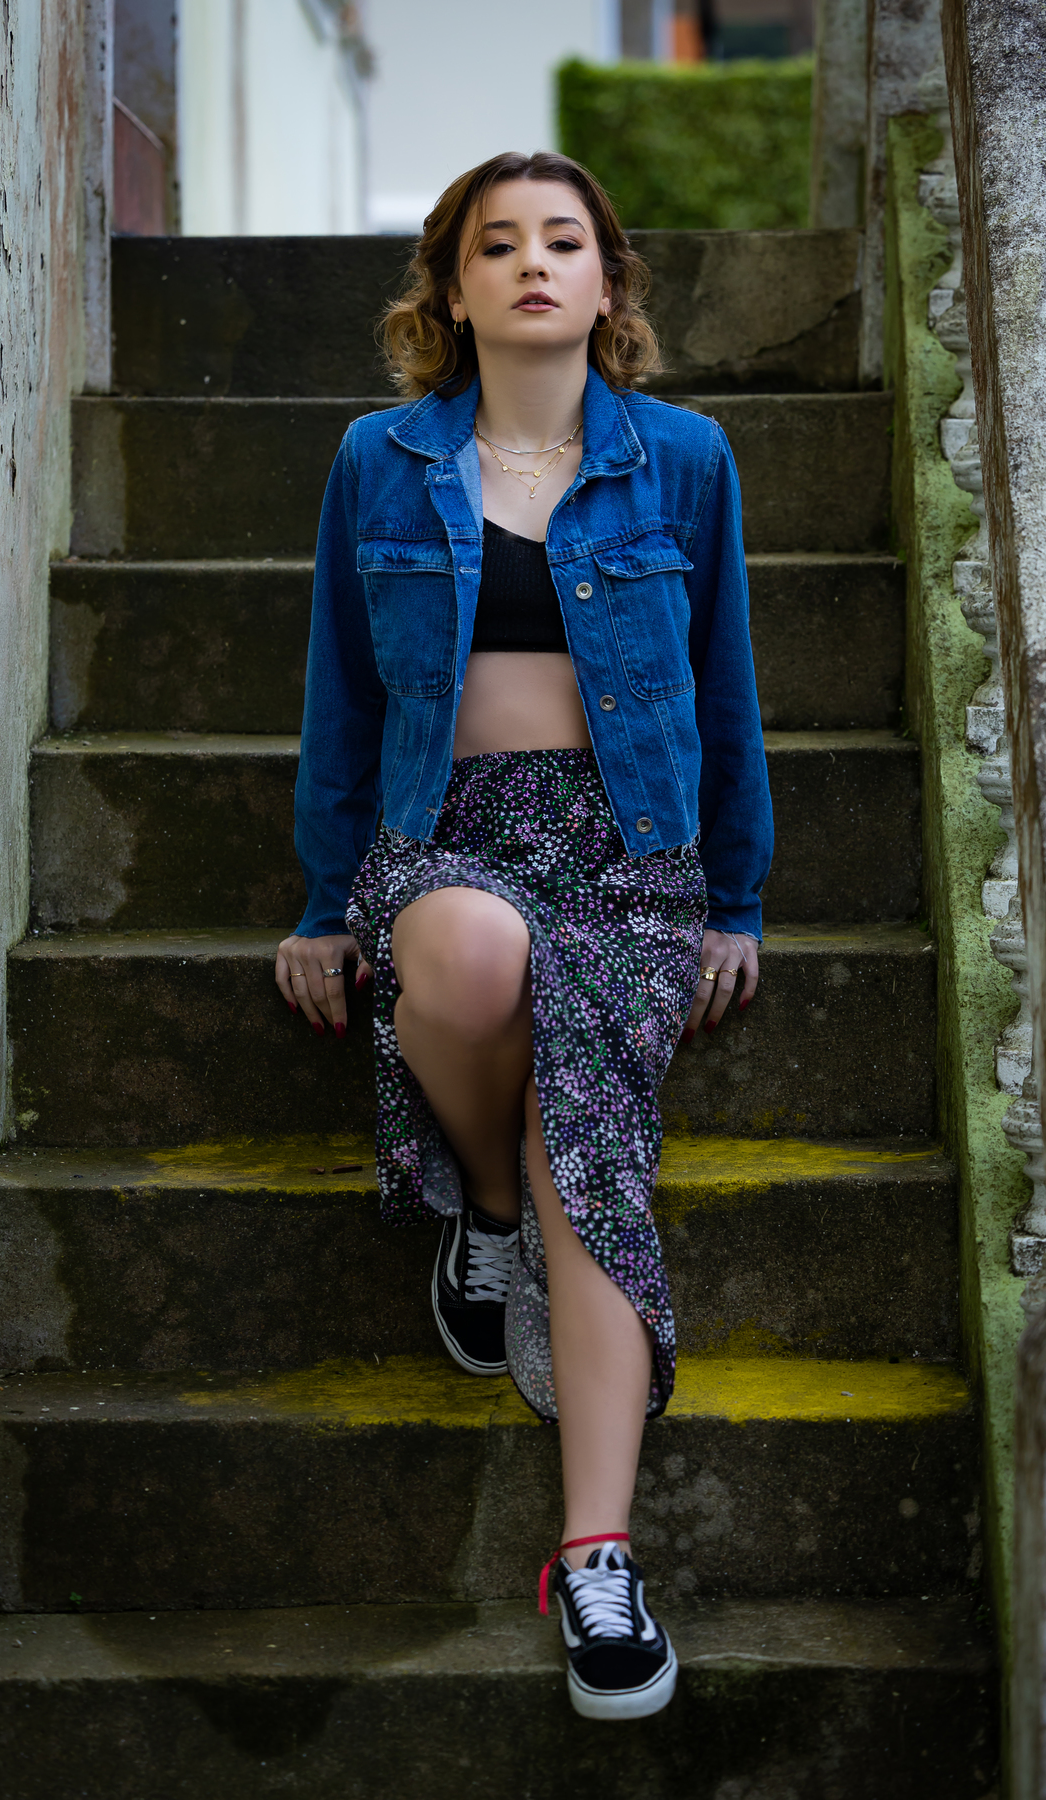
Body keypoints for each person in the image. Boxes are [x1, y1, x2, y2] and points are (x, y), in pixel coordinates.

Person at [275, 149, 772, 1721]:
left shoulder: (684, 460)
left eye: (566, 241)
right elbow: (341, 693)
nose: (535, 264)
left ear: (608, 281)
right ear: (454, 287)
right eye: (499, 245)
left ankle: (597, 1557)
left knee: (590, 1115)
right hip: (447, 833)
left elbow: (727, 688)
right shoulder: (380, 459)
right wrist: (322, 903)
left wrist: (735, 898)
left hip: (629, 848)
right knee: (477, 959)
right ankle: (486, 1211)